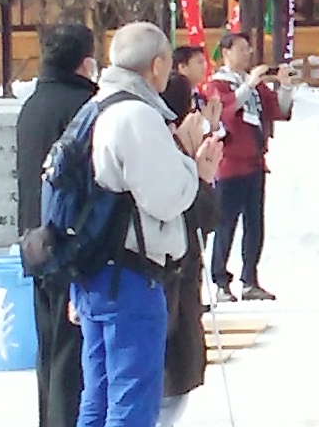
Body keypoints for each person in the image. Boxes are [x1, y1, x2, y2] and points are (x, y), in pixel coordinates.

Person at [74, 22, 217, 427]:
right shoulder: (137, 115)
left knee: (97, 397)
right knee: (132, 401)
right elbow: (168, 196)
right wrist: (194, 166)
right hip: (132, 275)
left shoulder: (95, 107)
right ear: (156, 65)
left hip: (95, 268)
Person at [16, 24, 101, 427]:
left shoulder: (33, 104)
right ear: (85, 62)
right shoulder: (86, 108)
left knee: (49, 348)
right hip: (71, 245)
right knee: (72, 356)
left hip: (35, 241)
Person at [205, 32, 292, 303]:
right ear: (226, 52)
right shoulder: (218, 84)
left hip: (255, 162)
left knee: (255, 225)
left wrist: (285, 86)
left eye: (249, 50)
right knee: (225, 224)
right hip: (230, 163)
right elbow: (227, 111)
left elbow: (278, 110)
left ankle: (249, 278)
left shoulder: (254, 85)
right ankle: (220, 279)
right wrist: (249, 85)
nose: (248, 54)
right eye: (242, 49)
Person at [159, 50, 220, 427]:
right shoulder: (164, 148)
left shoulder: (174, 144)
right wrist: (201, 177)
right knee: (167, 384)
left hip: (177, 278)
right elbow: (196, 215)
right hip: (169, 278)